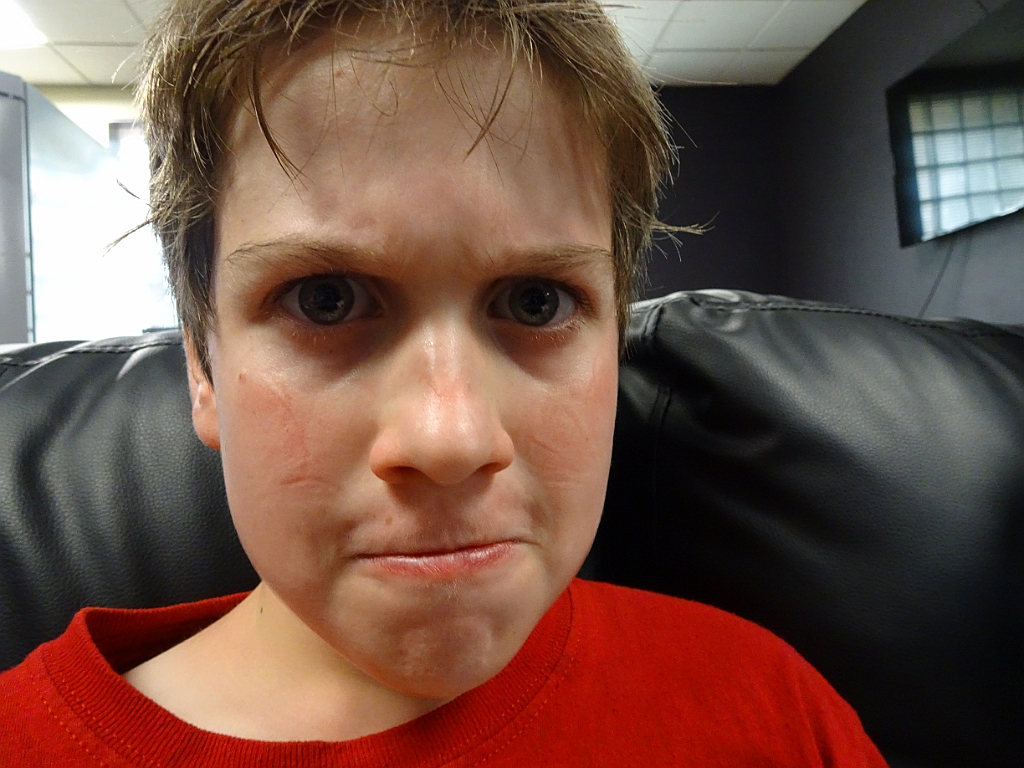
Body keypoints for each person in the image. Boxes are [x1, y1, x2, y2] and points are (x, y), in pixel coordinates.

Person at [0, 1, 888, 765]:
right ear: (202, 363)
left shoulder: (768, 707)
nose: (450, 438)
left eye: (537, 302)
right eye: (324, 299)